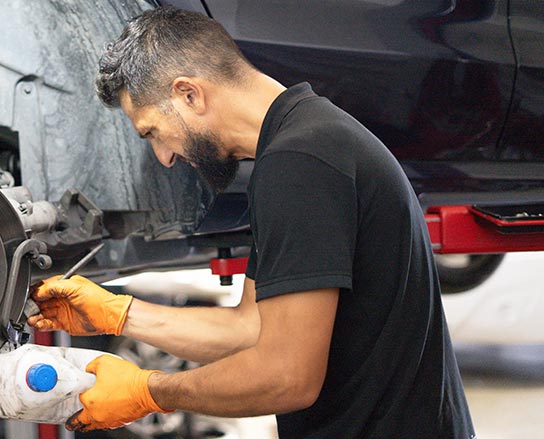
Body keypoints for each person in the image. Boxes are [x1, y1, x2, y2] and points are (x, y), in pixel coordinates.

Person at [28, 7, 475, 438]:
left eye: (152, 132)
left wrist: (149, 391)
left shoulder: (300, 163)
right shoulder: (305, 142)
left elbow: (287, 376)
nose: (163, 158)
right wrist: (119, 314)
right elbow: (251, 328)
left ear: (189, 94)